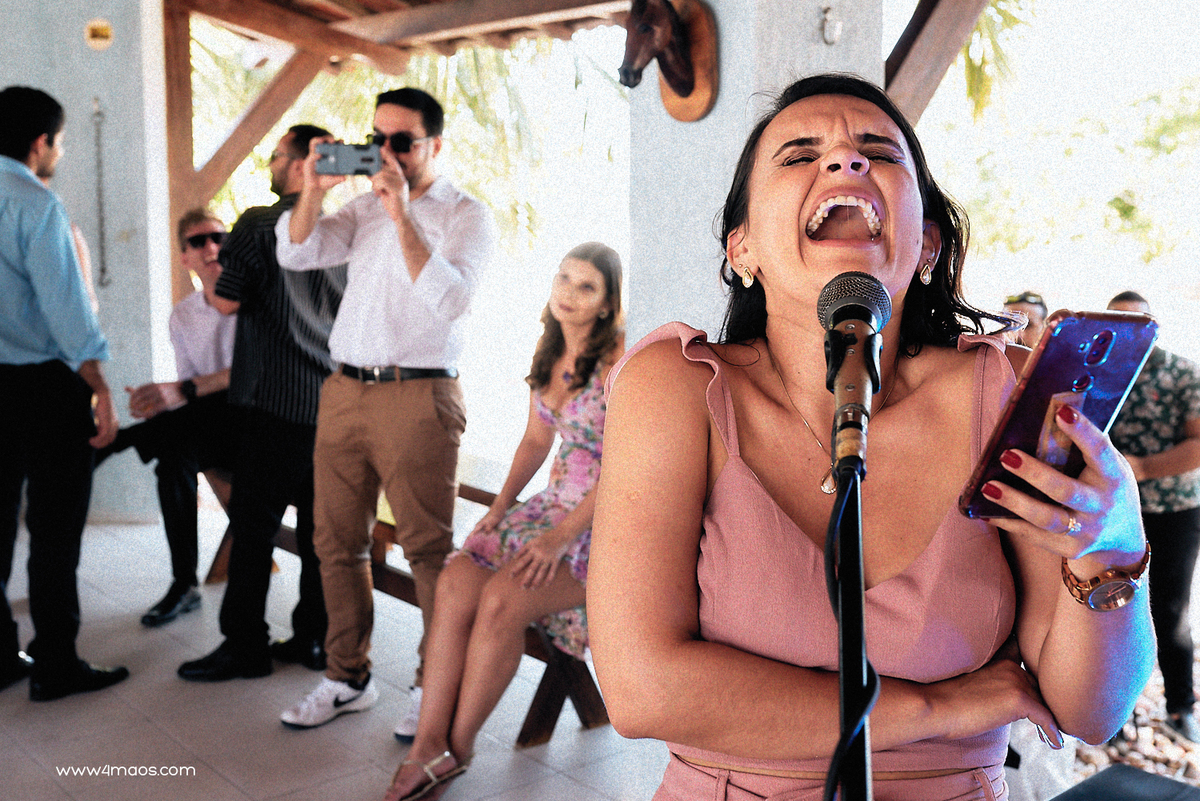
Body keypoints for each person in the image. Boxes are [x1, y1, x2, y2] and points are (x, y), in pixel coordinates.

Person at [588, 73, 1154, 800]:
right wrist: (938, 707)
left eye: (877, 151)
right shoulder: (675, 386)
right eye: (798, 154)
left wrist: (1114, 543)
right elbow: (642, 689)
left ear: (927, 245)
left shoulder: (1008, 390)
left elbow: (1088, 712)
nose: (845, 162)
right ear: (744, 249)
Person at [276, 87, 496, 732]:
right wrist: (313, 190)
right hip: (345, 389)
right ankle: (347, 677)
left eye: (402, 141)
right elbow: (297, 252)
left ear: (436, 145)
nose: (386, 153)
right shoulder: (359, 203)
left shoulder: (466, 215)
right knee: (335, 543)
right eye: (377, 139)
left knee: (427, 549)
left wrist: (402, 216)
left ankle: (435, 686)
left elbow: (451, 302)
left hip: (418, 394)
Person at [380, 243, 623, 800]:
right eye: (563, 278)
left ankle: (455, 752)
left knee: (500, 601)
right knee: (457, 579)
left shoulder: (619, 366)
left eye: (586, 286)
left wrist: (561, 539)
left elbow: (626, 466)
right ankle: (425, 743)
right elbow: (538, 438)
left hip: (603, 526)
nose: (568, 293)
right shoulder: (552, 352)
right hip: (551, 507)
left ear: (608, 304)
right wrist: (499, 509)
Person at [177, 124, 346, 681]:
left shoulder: (258, 223)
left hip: (275, 402)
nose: (269, 165)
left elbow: (224, 304)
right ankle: (312, 640)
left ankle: (245, 645)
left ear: (302, 165)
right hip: (334, 402)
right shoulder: (348, 227)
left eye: (277, 156)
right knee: (321, 533)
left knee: (253, 530)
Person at [0, 85, 128, 700]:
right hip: (44, 389)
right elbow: (67, 312)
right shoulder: (34, 202)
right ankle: (55, 663)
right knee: (54, 530)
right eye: (61, 141)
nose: (60, 152)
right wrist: (100, 385)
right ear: (40, 142)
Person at [95, 208, 241, 627]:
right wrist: (161, 401)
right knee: (172, 462)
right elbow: (189, 391)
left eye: (217, 236)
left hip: (256, 423)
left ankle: (115, 443)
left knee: (206, 410)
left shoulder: (254, 301)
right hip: (210, 424)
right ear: (185, 258)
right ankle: (184, 585)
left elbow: (251, 376)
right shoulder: (183, 315)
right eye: (198, 242)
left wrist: (184, 394)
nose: (211, 246)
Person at [1107, 290, 1200, 743]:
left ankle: (1181, 707)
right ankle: (1117, 713)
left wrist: (1138, 470)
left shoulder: (1184, 372)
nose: (1128, 331)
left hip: (1175, 510)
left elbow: (1199, 445)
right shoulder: (1102, 371)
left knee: (1170, 611)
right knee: (1113, 611)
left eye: (1136, 322)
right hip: (1115, 512)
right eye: (1117, 322)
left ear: (1153, 323)